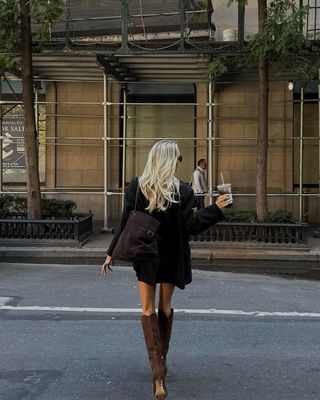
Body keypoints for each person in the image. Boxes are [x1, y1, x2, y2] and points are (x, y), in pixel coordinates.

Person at [101, 141, 229, 400]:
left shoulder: (137, 185)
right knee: (165, 308)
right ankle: (162, 362)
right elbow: (192, 226)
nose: (180, 162)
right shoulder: (182, 190)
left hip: (146, 256)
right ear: (171, 160)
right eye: (178, 158)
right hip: (172, 257)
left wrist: (110, 252)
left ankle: (157, 373)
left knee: (147, 310)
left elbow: (125, 222)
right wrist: (216, 208)